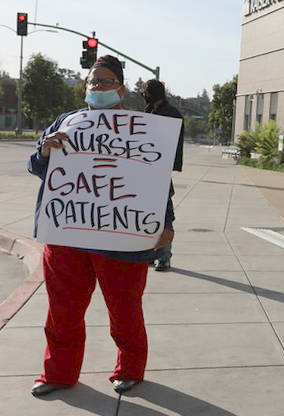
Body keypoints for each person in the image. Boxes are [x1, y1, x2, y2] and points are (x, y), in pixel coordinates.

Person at [27, 55, 175, 397]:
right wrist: (45, 152)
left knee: (125, 309)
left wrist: (165, 223)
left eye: (105, 82)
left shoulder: (141, 128)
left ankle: (130, 368)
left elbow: (157, 181)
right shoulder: (66, 122)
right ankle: (58, 373)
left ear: (120, 89)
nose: (98, 87)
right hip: (66, 234)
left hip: (120, 236)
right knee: (62, 310)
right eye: (93, 82)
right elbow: (36, 166)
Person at [142, 78, 184, 272]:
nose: (144, 96)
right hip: (146, 170)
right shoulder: (149, 112)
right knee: (147, 215)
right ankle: (150, 254)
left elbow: (175, 144)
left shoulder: (171, 114)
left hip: (161, 171)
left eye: (146, 92)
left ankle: (164, 257)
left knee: (164, 216)